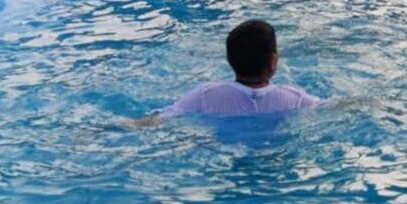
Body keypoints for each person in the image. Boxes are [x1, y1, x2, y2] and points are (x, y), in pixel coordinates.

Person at [131, 20, 320, 126]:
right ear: (273, 62)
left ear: (229, 60)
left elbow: (158, 120)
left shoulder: (205, 96)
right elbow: (333, 107)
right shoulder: (293, 99)